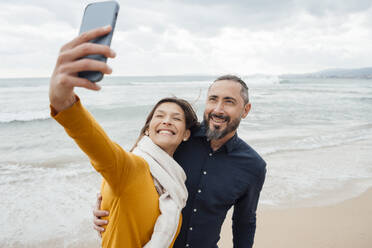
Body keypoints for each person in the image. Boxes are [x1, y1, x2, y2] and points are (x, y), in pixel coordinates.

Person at [49, 26, 199, 248]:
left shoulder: (174, 187)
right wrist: (63, 102)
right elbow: (95, 143)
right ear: (148, 129)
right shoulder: (131, 168)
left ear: (186, 134)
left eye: (176, 118)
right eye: (160, 116)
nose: (167, 120)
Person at [94, 73, 267, 247]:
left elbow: (244, 222)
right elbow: (135, 165)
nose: (218, 109)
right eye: (213, 99)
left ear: (245, 110)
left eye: (229, 101)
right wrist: (106, 207)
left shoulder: (253, 166)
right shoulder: (178, 138)